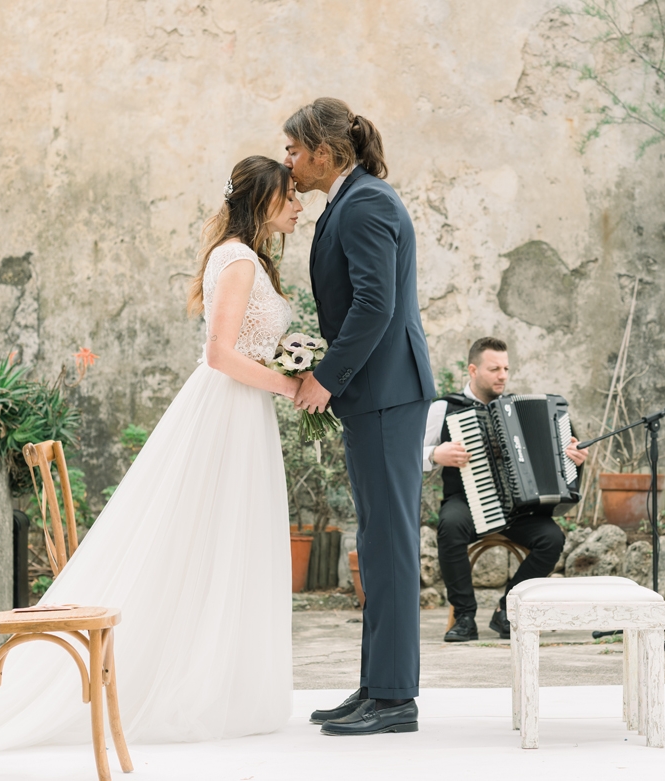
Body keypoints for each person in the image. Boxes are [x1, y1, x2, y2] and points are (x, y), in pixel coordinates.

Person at [0, 156, 305, 765]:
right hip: (227, 409)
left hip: (243, 414)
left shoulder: (249, 259)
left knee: (228, 541)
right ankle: (189, 682)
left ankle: (223, 678)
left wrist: (291, 366)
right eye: (290, 196)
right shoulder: (237, 260)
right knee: (204, 538)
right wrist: (292, 386)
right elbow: (219, 355)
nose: (299, 205)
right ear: (263, 199)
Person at [284, 98, 435, 737]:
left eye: (294, 149)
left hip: (385, 394)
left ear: (324, 152)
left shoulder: (367, 202)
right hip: (375, 395)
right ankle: (377, 684)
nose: (288, 160)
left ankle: (396, 697)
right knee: (374, 543)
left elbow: (376, 305)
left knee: (390, 545)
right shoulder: (350, 201)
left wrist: (324, 376)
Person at [424, 337, 587, 642]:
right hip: (467, 501)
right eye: (494, 368)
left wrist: (573, 459)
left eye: (506, 368)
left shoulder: (515, 408)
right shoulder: (444, 408)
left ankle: (507, 612)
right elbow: (405, 452)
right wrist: (435, 454)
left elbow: (561, 461)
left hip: (518, 507)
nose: (502, 375)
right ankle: (464, 616)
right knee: (449, 524)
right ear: (472, 370)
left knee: (551, 538)